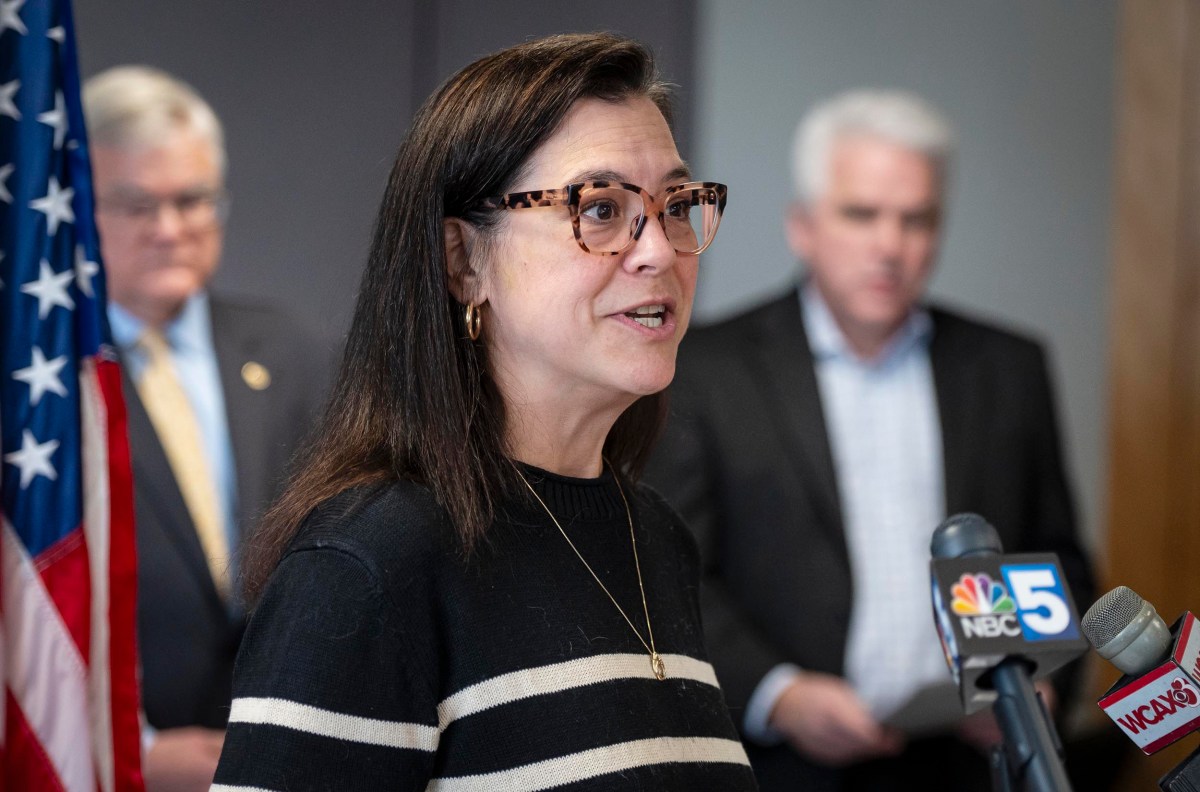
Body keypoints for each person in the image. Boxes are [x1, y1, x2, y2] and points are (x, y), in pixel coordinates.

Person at [210, 33, 754, 790]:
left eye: (674, 207)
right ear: (464, 262)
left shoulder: (655, 537)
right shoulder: (368, 567)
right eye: (600, 209)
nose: (658, 251)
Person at [645, 89, 1094, 791]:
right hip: (782, 768)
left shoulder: (1009, 367)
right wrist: (778, 694)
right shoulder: (703, 370)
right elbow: (670, 572)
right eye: (862, 214)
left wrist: (1021, 679)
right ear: (803, 225)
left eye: (916, 219)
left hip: (966, 762)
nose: (890, 245)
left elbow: (1049, 551)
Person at [84, 67, 330, 791]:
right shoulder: (31, 384)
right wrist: (131, 748)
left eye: (191, 200)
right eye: (134, 204)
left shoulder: (298, 353)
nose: (169, 229)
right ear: (75, 208)